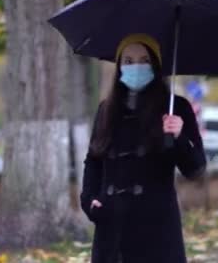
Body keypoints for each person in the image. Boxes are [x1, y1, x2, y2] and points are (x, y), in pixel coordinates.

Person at [80, 33, 206, 263]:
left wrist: (178, 136)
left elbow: (196, 168)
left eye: (144, 60)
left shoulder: (176, 107)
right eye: (128, 61)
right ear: (119, 67)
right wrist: (90, 200)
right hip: (111, 230)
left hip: (157, 232)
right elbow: (94, 160)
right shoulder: (106, 110)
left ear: (156, 66)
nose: (135, 67)